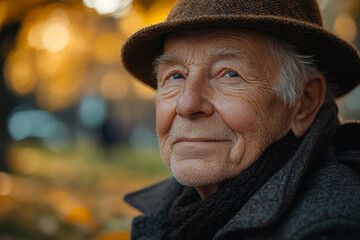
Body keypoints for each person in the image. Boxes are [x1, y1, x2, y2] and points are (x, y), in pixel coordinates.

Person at [121, 0, 360, 239]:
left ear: (303, 103)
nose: (187, 104)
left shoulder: (330, 227)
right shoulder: (183, 208)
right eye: (175, 76)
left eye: (230, 74)